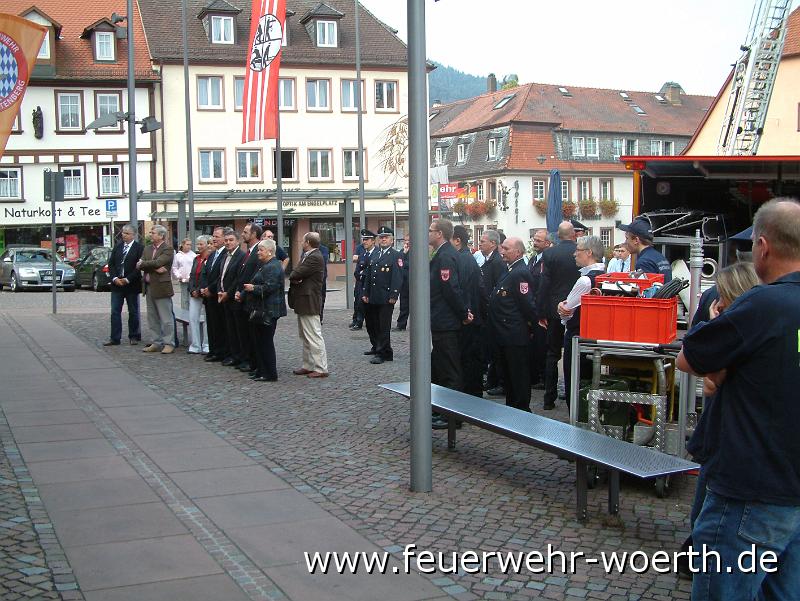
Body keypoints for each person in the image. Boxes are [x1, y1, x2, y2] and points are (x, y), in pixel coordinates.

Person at [676, 198, 800, 600]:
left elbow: (688, 358)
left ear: (763, 247)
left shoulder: (763, 305)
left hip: (751, 490)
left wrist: (714, 325)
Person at [677, 260, 759, 579]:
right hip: (723, 440)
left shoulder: (738, 332)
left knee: (709, 516)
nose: (717, 303)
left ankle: (699, 561)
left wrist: (713, 326)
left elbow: (707, 378)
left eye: (722, 299)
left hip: (725, 443)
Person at [428, 219, 471, 429]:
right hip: (441, 319)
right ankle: (441, 410)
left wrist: (463, 312)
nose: (427, 233)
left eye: (430, 231)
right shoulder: (443, 253)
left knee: (450, 370)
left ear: (439, 234)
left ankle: (452, 416)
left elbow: (451, 289)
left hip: (446, 320)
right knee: (440, 366)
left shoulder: (445, 256)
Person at [488, 237, 537, 412]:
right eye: (502, 248)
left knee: (518, 375)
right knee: (508, 375)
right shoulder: (510, 270)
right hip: (504, 333)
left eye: (506, 249)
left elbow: (527, 305)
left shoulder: (520, 272)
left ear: (518, 252)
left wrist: (530, 327)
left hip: (514, 333)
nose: (502, 252)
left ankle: (521, 409)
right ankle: (512, 408)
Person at [557, 235, 606, 410]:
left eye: (578, 250)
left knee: (574, 382)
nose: (574, 254)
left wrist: (560, 307)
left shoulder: (585, 280)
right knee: (588, 381)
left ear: (589, 253)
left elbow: (566, 311)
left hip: (577, 335)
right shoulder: (605, 274)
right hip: (593, 336)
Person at [537, 221, 580, 410]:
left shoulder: (550, 253)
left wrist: (541, 311)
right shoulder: (580, 251)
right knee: (575, 354)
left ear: (558, 235)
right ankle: (574, 399)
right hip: (577, 309)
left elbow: (543, 285)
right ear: (573, 235)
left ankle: (549, 399)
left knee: (552, 354)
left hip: (555, 309)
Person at [242, 238, 287, 382]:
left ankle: (269, 373)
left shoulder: (272, 266)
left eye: (261, 250)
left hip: (269, 310)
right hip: (262, 309)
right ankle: (262, 370)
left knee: (266, 342)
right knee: (260, 342)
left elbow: (269, 288)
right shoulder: (266, 265)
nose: (258, 252)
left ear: (269, 251)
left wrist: (252, 288)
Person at [288, 232, 329, 378]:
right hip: (303, 300)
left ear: (308, 242)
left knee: (313, 335)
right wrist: (297, 277)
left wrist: (296, 277)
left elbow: (295, 274)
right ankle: (308, 365)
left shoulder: (315, 257)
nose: (301, 243)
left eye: (303, 240)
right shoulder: (308, 255)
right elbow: (296, 275)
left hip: (309, 301)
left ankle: (321, 367)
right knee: (305, 335)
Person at [362, 226, 403, 364]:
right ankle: (383, 350)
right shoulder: (375, 254)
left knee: (383, 326)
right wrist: (365, 292)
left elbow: (397, 277)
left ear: (392, 239)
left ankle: (383, 353)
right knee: (374, 324)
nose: (383, 239)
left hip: (386, 297)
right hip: (374, 295)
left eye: (386, 237)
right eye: (381, 237)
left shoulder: (395, 255)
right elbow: (368, 275)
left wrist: (394, 295)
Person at [452, 225, 483, 398]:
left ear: (457, 241)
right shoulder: (466, 257)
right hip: (471, 315)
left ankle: (468, 398)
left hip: (468, 318)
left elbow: (461, 290)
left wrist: (464, 313)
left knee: (467, 360)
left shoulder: (462, 259)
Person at [137, 224, 176, 354]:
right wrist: (150, 266)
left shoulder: (168, 249)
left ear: (161, 235)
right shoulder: (147, 248)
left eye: (153, 233)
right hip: (148, 287)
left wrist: (146, 264)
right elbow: (140, 265)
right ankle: (156, 341)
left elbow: (159, 262)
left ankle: (169, 343)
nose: (150, 234)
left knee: (166, 317)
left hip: (162, 287)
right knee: (152, 317)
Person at [104, 224, 143, 346]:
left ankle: (134, 336)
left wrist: (128, 279)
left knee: (133, 311)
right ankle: (115, 337)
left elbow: (139, 267)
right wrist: (115, 278)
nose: (123, 235)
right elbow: (111, 264)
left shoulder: (139, 248)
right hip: (117, 285)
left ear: (133, 235)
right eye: (123, 232)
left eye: (127, 233)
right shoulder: (118, 246)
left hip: (131, 284)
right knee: (115, 311)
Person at [478, 229, 506, 395]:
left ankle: (500, 382)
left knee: (496, 350)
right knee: (491, 349)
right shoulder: (489, 260)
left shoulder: (497, 262)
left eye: (483, 241)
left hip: (494, 311)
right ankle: (492, 380)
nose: (480, 243)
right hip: (487, 310)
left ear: (493, 244)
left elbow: (497, 287)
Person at [232, 223, 262, 373]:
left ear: (254, 234)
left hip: (250, 299)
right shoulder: (249, 252)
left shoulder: (258, 252)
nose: (242, 234)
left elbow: (254, 277)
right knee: (243, 333)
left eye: (245, 232)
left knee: (251, 335)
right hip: (242, 297)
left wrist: (242, 293)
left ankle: (252, 361)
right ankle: (247, 359)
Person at [217, 229, 245, 366]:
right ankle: (231, 354)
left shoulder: (241, 256)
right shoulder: (224, 256)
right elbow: (221, 276)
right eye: (226, 240)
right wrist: (219, 290)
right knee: (228, 329)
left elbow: (238, 279)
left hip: (233, 298)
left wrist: (228, 293)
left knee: (237, 330)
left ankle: (238, 356)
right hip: (223, 297)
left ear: (238, 241)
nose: (228, 243)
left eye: (231, 240)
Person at [527, 229, 551, 387]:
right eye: (534, 240)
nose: (535, 243)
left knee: (542, 345)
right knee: (534, 344)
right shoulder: (533, 259)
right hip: (531, 307)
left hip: (542, 309)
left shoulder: (547, 261)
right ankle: (535, 375)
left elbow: (544, 286)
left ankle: (543, 377)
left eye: (539, 241)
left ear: (548, 243)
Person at [201, 227, 228, 363]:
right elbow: (205, 272)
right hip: (208, 296)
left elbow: (220, 276)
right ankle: (213, 350)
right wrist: (203, 287)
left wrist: (210, 288)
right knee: (210, 324)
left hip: (216, 294)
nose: (214, 239)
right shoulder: (212, 254)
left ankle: (220, 351)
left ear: (224, 238)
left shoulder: (225, 255)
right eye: (213, 236)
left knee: (219, 325)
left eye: (217, 236)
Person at [618, 218, 672, 282]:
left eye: (627, 238)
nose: (625, 242)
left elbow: (647, 290)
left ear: (636, 240)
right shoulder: (659, 256)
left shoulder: (644, 262)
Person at [187, 235, 211, 354]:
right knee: (193, 318)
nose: (199, 246)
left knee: (207, 319)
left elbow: (208, 277)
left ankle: (206, 344)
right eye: (198, 244)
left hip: (205, 293)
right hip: (194, 293)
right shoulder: (196, 259)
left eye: (201, 244)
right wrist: (192, 289)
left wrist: (200, 289)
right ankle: (195, 344)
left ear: (207, 245)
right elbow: (192, 276)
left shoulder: (210, 258)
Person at [350, 230, 376, 330]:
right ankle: (358, 321)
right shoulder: (362, 252)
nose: (365, 241)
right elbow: (358, 268)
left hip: (369, 283)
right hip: (360, 282)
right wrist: (359, 275)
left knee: (368, 304)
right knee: (358, 302)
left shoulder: (376, 252)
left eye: (367, 239)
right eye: (364, 239)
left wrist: (363, 274)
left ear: (373, 241)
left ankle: (367, 322)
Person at [172, 238, 196, 310]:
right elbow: (174, 267)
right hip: (182, 279)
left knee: (191, 298)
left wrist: (191, 277)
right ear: (182, 245)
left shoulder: (193, 255)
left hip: (191, 280)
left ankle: (191, 313)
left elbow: (194, 267)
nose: (189, 246)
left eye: (190, 245)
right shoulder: (178, 255)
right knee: (184, 298)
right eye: (187, 244)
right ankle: (184, 314)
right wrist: (178, 275)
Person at [394, 235, 410, 331]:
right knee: (403, 305)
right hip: (403, 284)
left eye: (409, 240)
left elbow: (412, 264)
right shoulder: (402, 252)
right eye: (405, 240)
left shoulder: (417, 251)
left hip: (413, 284)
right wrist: (404, 254)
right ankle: (401, 325)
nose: (407, 242)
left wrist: (403, 263)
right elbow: (398, 263)